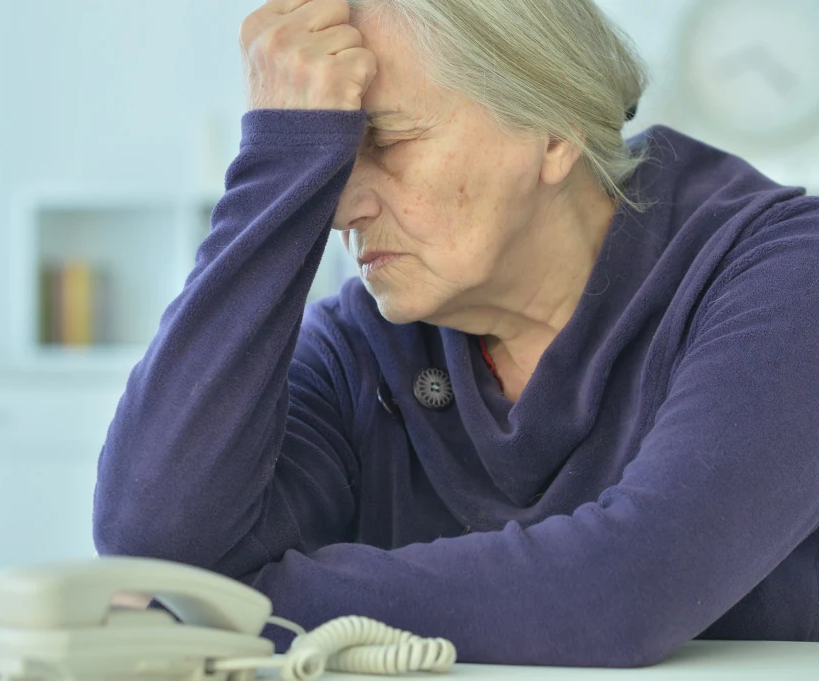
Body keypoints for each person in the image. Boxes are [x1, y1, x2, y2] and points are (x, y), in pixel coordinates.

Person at [93, 0, 819, 667]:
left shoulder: (784, 271)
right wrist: (278, 157)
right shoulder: (359, 349)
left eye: (388, 139)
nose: (341, 207)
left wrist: (223, 608)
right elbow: (156, 546)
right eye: (331, 155)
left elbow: (628, 586)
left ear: (553, 131)